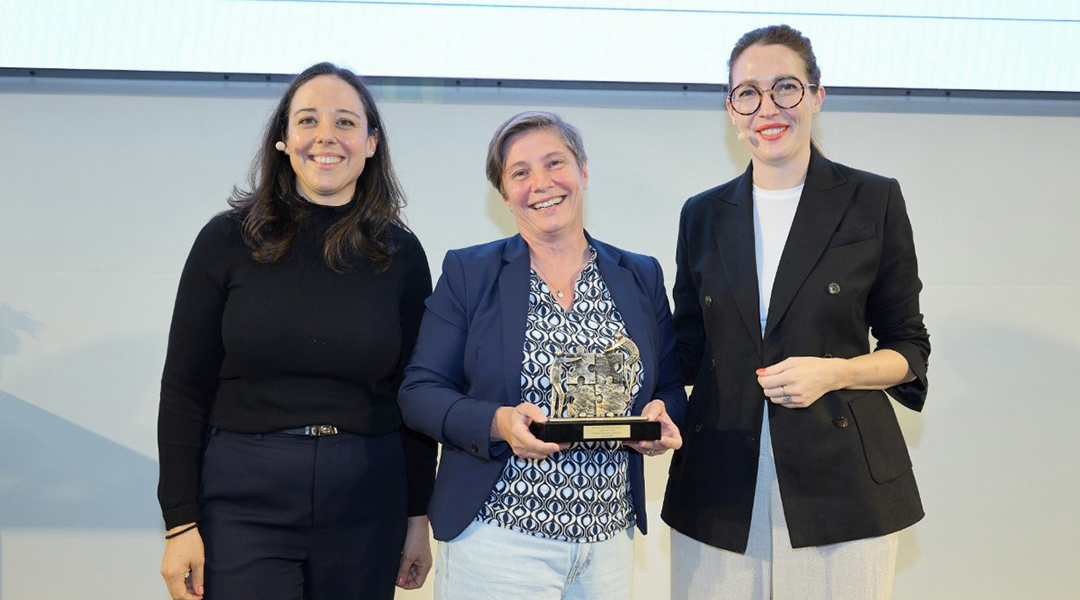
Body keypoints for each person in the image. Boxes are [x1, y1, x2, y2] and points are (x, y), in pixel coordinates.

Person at [662, 25, 931, 600]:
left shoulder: (872, 199)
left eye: (785, 88)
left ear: (816, 96)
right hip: (718, 484)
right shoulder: (702, 215)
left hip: (841, 487)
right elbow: (684, 349)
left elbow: (909, 348)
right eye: (748, 93)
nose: (768, 108)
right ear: (731, 111)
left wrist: (835, 371)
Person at [156, 62, 436, 600]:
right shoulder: (225, 241)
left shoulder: (401, 253)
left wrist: (415, 515)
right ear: (283, 140)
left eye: (346, 123)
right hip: (244, 497)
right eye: (307, 121)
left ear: (372, 143)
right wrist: (180, 522)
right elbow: (184, 387)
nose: (325, 137)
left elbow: (414, 397)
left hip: (366, 499)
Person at [398, 111, 687, 599]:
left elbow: (669, 389)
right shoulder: (470, 272)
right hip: (499, 539)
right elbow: (419, 394)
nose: (542, 183)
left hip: (608, 544)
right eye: (520, 172)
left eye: (555, 163)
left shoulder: (640, 275)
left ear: (583, 172)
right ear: (504, 193)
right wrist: (499, 422)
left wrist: (661, 417)